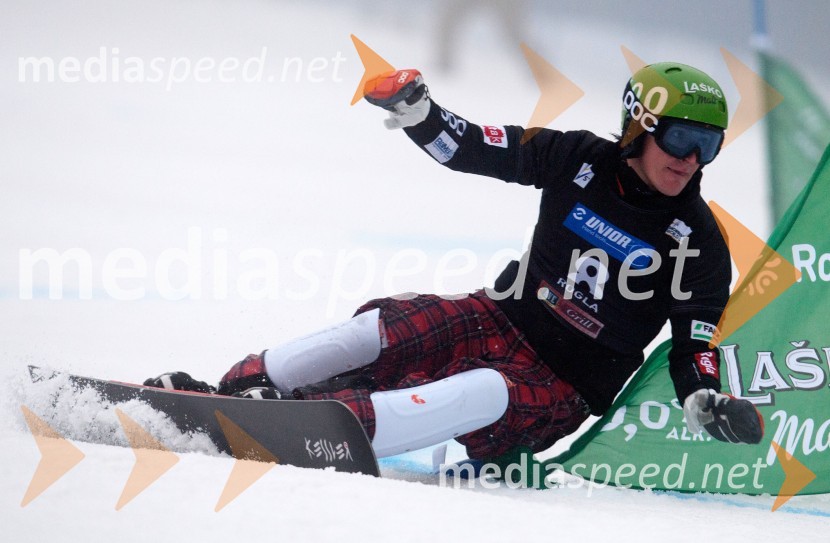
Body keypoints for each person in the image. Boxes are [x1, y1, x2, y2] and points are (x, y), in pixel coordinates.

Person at [146, 62, 764, 463]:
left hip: (561, 386)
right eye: (680, 137)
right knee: (385, 331)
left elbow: (694, 344)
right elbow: (472, 147)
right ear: (638, 127)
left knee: (481, 391)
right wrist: (420, 114)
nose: (691, 158)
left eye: (708, 145)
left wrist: (703, 395)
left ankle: (305, 429)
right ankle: (234, 390)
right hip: (498, 317)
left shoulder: (702, 246)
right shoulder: (577, 157)